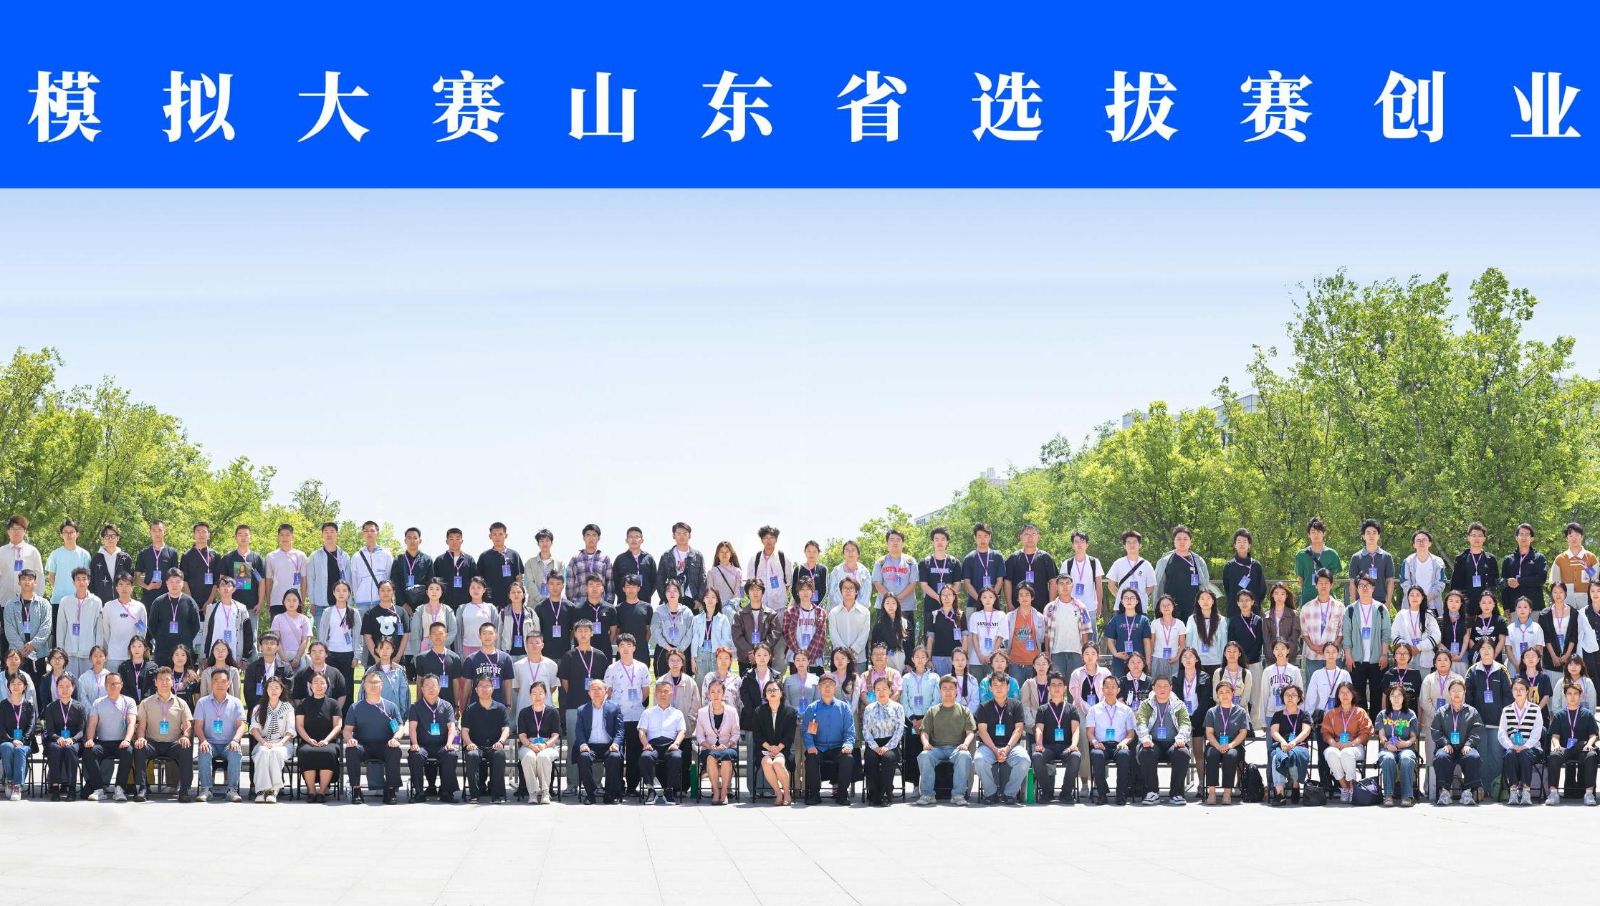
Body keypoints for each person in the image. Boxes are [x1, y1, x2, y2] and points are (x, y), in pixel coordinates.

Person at [131, 665, 194, 802]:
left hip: (173, 743)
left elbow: (188, 725)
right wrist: (140, 738)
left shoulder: (181, 703)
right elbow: (141, 726)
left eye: (167, 679)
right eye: (160, 679)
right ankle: (142, 788)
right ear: (155, 682)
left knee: (186, 747)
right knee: (139, 747)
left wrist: (185, 736)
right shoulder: (146, 703)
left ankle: (184, 789)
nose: (164, 682)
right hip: (153, 743)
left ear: (172, 682)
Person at [343, 671, 405, 804]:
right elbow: (347, 730)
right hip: (363, 746)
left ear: (381, 685)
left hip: (385, 745)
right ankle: (356, 789)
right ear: (364, 685)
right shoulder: (355, 707)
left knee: (395, 750)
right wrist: (350, 739)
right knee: (351, 750)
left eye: (376, 682)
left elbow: (400, 727)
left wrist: (395, 738)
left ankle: (390, 790)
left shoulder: (391, 706)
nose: (373, 685)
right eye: (369, 682)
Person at [914, 675, 976, 806]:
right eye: (945, 688)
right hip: (936, 749)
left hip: (956, 748)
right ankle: (927, 795)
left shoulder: (964, 711)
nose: (948, 691)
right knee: (924, 755)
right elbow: (924, 732)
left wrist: (965, 744)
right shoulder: (932, 711)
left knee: (964, 755)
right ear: (940, 691)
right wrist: (926, 743)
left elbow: (970, 733)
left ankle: (958, 795)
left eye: (951, 688)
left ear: (956, 691)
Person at [603, 633, 650, 795]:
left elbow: (645, 691)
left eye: (629, 645)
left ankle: (632, 786)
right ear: (618, 649)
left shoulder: (642, 667)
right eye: (622, 645)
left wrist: (636, 703)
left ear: (634, 648)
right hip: (618, 717)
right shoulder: (612, 668)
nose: (625, 649)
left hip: (636, 716)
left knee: (634, 753)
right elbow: (607, 692)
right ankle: (617, 785)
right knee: (617, 752)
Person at [973, 671, 1028, 805]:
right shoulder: (983, 707)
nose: (999, 688)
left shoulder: (1016, 705)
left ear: (1008, 687)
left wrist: (1007, 748)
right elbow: (982, 731)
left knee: (1024, 760)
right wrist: (995, 749)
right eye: (995, 685)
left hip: (1011, 746)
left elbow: (1018, 729)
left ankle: (1009, 794)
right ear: (990, 688)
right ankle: (990, 793)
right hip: (988, 746)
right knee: (979, 760)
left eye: (1002, 685)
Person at [193, 669, 247, 802]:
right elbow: (198, 726)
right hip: (209, 742)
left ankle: (232, 790)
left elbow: (241, 726)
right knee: (204, 750)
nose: (220, 684)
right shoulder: (202, 702)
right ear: (211, 683)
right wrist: (203, 741)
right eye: (216, 681)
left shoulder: (236, 702)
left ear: (228, 683)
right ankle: (206, 790)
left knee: (235, 752)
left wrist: (235, 740)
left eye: (223, 681)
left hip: (229, 743)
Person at [802, 673, 856, 806]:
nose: (827, 687)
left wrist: (848, 744)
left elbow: (849, 731)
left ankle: (842, 794)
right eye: (824, 685)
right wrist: (810, 745)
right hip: (818, 747)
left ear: (835, 687)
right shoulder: (812, 708)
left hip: (838, 747)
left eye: (830, 684)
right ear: (819, 688)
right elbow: (806, 731)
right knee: (811, 757)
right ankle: (814, 794)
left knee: (848, 758)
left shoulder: (844, 708)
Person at [405, 673, 460, 803]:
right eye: (427, 686)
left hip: (441, 745)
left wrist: (449, 743)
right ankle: (419, 792)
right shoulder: (416, 707)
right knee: (416, 755)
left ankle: (447, 792)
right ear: (422, 689)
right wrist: (415, 743)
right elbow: (412, 727)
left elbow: (451, 727)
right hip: (423, 745)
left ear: (439, 688)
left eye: (434, 686)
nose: (431, 689)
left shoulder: (447, 706)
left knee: (451, 754)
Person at [1342, 575, 1392, 713]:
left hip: (1377, 658)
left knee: (1377, 692)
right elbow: (1346, 635)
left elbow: (1386, 633)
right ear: (1357, 589)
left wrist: (1384, 654)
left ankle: (1376, 721)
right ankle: (1361, 721)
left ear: (1373, 588)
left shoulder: (1381, 609)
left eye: (1367, 585)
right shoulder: (1350, 610)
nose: (1364, 588)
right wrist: (1348, 656)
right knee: (1358, 694)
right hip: (1356, 659)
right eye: (1361, 585)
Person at [83, 671, 136, 801]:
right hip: (103, 742)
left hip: (121, 742)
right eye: (109, 683)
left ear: (121, 685)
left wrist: (127, 740)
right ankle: (98, 789)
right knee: (89, 751)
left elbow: (131, 723)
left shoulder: (128, 701)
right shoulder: (98, 702)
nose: (112, 686)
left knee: (128, 751)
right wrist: (90, 739)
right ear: (105, 686)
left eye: (115, 683)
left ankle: (119, 789)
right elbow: (92, 724)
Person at [1545, 680, 1599, 806]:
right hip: (1565, 749)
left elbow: (1593, 735)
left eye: (1575, 694)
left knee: (1592, 755)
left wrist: (1589, 744)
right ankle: (1553, 793)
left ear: (1580, 696)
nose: (1572, 696)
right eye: (1569, 693)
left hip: (1582, 749)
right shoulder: (1559, 715)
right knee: (1553, 755)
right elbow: (1555, 736)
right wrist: (1557, 745)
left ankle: (1589, 794)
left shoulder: (1587, 714)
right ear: (1565, 696)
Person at [1431, 676, 1483, 805]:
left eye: (1459, 690)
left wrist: (1468, 744)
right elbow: (1435, 730)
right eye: (1453, 690)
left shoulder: (1472, 711)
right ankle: (1444, 792)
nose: (1456, 693)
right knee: (1441, 756)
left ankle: (1467, 792)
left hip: (1465, 748)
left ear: (1464, 692)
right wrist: (1445, 743)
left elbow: (1477, 730)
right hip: (1447, 748)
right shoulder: (1441, 712)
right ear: (1449, 693)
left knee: (1473, 757)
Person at [1031, 672, 1082, 804]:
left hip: (1066, 747)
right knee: (1036, 756)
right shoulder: (1042, 709)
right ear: (1048, 688)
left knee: (1076, 756)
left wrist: (1073, 745)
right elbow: (1039, 729)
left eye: (1060, 685)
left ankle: (1066, 793)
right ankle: (1047, 792)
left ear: (1065, 688)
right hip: (1048, 747)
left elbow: (1076, 730)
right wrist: (1039, 744)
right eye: (1053, 685)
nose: (1056, 688)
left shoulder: (1072, 709)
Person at [558, 621, 612, 745]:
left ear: (592, 633)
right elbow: (564, 681)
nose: (583, 634)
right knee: (574, 742)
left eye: (586, 631)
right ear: (575, 634)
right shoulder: (568, 656)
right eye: (580, 631)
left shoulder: (600, 656)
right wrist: (573, 694)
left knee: (595, 742)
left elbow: (605, 681)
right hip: (574, 705)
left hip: (596, 706)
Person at [1086, 675, 1136, 805]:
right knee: (1096, 755)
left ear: (1118, 690)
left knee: (1124, 755)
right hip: (1101, 745)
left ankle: (1121, 794)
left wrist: (1124, 742)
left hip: (1119, 745)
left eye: (1113, 687)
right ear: (1102, 690)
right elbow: (1089, 732)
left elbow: (1131, 733)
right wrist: (1095, 743)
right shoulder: (1094, 710)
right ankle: (1102, 794)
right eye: (1107, 687)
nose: (1110, 690)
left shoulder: (1126, 710)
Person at [294, 670, 342, 802]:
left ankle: (322, 791)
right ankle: (311, 790)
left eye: (322, 683)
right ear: (310, 685)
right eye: (315, 682)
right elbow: (299, 726)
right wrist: (309, 740)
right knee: (305, 752)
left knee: (329, 753)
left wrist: (326, 740)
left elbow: (337, 725)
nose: (319, 686)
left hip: (329, 742)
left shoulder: (333, 704)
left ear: (327, 685)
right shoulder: (303, 704)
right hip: (308, 741)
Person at [461, 675, 511, 803]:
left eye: (487, 686)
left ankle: (497, 795)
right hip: (476, 745)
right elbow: (464, 731)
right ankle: (474, 794)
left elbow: (506, 728)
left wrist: (501, 741)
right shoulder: (470, 709)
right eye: (481, 686)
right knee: (471, 755)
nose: (484, 689)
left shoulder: (500, 708)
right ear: (476, 690)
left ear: (493, 689)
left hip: (494, 745)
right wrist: (469, 743)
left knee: (499, 755)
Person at [574, 678, 624, 804]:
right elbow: (579, 731)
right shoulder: (582, 710)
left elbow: (620, 730)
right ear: (589, 693)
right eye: (593, 689)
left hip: (609, 746)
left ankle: (610, 795)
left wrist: (616, 744)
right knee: (583, 757)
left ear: (605, 691)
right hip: (590, 746)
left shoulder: (614, 707)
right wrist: (583, 744)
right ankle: (591, 793)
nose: (596, 692)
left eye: (599, 689)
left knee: (614, 757)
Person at [637, 679, 686, 804]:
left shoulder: (677, 713)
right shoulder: (648, 713)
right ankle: (651, 789)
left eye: (666, 691)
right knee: (645, 757)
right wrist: (645, 744)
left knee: (676, 757)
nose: (663, 694)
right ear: (655, 694)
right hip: (652, 745)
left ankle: (669, 790)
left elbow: (682, 731)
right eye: (659, 691)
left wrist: (676, 744)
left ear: (671, 694)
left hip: (670, 744)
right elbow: (642, 731)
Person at [1321, 681, 1371, 802]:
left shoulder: (1360, 712)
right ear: (1338, 696)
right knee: (1330, 752)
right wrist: (1333, 744)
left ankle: (1353, 787)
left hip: (1355, 746)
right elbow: (1325, 733)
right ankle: (1344, 787)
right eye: (1341, 692)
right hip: (1337, 745)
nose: (1345, 695)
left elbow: (1365, 733)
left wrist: (1351, 744)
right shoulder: (1331, 713)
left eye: (1348, 692)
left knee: (1346, 753)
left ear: (1353, 694)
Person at [860, 675, 905, 806]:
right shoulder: (869, 708)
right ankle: (874, 794)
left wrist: (888, 746)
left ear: (890, 690)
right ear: (874, 691)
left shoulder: (898, 708)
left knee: (888, 758)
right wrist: (874, 746)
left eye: (885, 689)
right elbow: (866, 730)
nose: (881, 692)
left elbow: (899, 730)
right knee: (870, 757)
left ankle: (885, 794)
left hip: (891, 744)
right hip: (874, 743)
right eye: (878, 689)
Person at [249, 674, 295, 802]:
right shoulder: (259, 708)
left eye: (277, 688)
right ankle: (261, 791)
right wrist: (263, 742)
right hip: (263, 742)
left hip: (283, 743)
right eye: (271, 688)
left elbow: (290, 730)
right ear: (266, 690)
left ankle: (272, 791)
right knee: (263, 752)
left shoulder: (288, 708)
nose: (274, 691)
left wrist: (280, 743)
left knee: (275, 753)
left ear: (281, 690)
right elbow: (254, 728)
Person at [1498, 676, 1544, 805]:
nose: (1518, 692)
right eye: (1515, 689)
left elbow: (1537, 732)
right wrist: (1510, 745)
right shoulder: (1506, 710)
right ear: (1512, 692)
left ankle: (1526, 791)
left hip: (1532, 748)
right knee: (1509, 755)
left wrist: (1525, 746)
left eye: (1522, 689)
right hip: (1513, 747)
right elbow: (1501, 732)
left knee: (1525, 754)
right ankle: (1513, 791)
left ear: (1527, 691)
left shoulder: (1535, 709)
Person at [1202, 679, 1248, 804]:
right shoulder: (1212, 712)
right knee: (1212, 755)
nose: (1224, 694)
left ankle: (1227, 792)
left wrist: (1230, 745)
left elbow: (1243, 733)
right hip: (1215, 744)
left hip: (1234, 745)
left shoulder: (1240, 711)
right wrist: (1218, 746)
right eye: (1221, 692)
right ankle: (1211, 792)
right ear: (1217, 695)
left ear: (1233, 693)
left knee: (1230, 755)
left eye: (1227, 691)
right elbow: (1209, 733)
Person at [1374, 682, 1419, 807]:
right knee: (1388, 758)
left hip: (1406, 747)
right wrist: (1386, 744)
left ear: (1404, 697)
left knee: (1406, 759)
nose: (1396, 698)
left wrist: (1407, 743)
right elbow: (1381, 735)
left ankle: (1407, 796)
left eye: (1399, 695)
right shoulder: (1382, 714)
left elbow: (1413, 736)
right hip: (1388, 748)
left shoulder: (1410, 714)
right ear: (1389, 698)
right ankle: (1388, 795)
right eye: (1393, 695)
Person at [516, 680, 561, 804]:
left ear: (545, 695)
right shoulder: (524, 712)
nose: (537, 696)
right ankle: (533, 793)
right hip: (528, 744)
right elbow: (522, 735)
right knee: (528, 757)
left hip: (548, 745)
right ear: (530, 695)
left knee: (543, 757)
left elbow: (555, 735)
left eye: (540, 693)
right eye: (534, 693)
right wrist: (530, 745)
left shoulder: (553, 712)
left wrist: (545, 745)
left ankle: (545, 792)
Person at [1153, 524, 1210, 621]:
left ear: (1190, 541)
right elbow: (1158, 587)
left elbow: (1205, 585)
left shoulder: (1198, 561)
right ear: (1174, 541)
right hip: (1170, 608)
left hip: (1193, 608)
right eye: (1178, 539)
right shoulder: (1164, 561)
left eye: (1185, 539)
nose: (1182, 542)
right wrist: (1157, 609)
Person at [753, 679, 796, 806]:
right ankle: (778, 793)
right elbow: (757, 735)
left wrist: (778, 748)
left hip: (783, 749)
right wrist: (769, 747)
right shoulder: (759, 711)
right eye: (769, 690)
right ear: (765, 695)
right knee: (767, 763)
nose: (772, 692)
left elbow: (789, 735)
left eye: (775, 690)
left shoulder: (790, 712)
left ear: (781, 693)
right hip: (764, 749)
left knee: (777, 763)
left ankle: (787, 793)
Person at [5, 568, 52, 683]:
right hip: (17, 654)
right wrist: (22, 648)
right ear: (19, 582)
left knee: (38, 685)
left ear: (35, 582)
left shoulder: (44, 604)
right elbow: (9, 629)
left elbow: (46, 627)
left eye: (30, 579)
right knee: (17, 685)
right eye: (23, 579)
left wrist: (33, 644)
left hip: (38, 653)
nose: (27, 581)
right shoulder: (10, 604)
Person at [1268, 684, 1312, 804]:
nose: (1290, 697)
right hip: (1281, 745)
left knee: (1294, 755)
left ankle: (1295, 785)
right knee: (1276, 757)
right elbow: (1274, 731)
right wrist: (1283, 742)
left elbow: (1306, 731)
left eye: (1293, 695)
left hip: (1299, 745)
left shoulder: (1304, 714)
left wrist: (1293, 742)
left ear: (1299, 698)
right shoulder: (1278, 715)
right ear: (1283, 698)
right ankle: (1280, 793)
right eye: (1287, 695)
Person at [1042, 571, 1091, 679]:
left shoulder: (1081, 607)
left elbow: (1085, 631)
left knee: (1075, 685)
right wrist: (1046, 651)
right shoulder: (1049, 608)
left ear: (1072, 585)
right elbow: (1046, 632)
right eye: (1061, 583)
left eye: (1068, 583)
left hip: (1076, 652)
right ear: (1056, 586)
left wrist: (1085, 652)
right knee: (1057, 684)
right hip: (1056, 652)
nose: (1065, 586)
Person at [55, 567, 103, 678]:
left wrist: (98, 651)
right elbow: (61, 627)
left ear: (88, 581)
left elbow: (99, 629)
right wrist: (60, 650)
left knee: (88, 682)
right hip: (69, 652)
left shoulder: (96, 602)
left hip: (89, 652)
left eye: (84, 579)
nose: (81, 582)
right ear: (73, 582)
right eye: (78, 579)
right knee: (70, 682)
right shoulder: (65, 601)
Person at [44, 673, 85, 800]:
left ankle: (71, 789)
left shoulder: (79, 707)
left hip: (74, 742)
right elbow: (49, 730)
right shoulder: (51, 707)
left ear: (73, 687)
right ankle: (55, 788)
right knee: (55, 748)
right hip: (56, 741)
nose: (65, 689)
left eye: (68, 686)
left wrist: (72, 739)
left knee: (70, 749)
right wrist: (58, 738)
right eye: (61, 686)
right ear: (57, 688)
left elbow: (81, 731)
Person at [146, 569, 199, 668]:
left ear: (182, 583)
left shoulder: (190, 602)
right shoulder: (158, 602)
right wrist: (161, 639)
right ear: (166, 583)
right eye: (171, 582)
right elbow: (152, 625)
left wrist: (185, 638)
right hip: (163, 651)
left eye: (178, 582)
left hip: (183, 651)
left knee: (183, 677)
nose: (174, 585)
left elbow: (196, 626)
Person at [199, 575, 255, 663]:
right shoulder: (211, 609)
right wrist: (204, 655)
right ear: (218, 589)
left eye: (229, 585)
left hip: (235, 655)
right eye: (222, 585)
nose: (226, 588)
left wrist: (245, 657)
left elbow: (248, 634)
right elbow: (206, 633)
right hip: (213, 655)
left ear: (234, 589)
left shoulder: (241, 609)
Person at [98, 573, 147, 671]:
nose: (124, 588)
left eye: (127, 584)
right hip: (114, 655)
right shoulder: (109, 606)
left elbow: (142, 631)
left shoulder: (139, 607)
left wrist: (137, 648)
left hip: (132, 655)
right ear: (116, 588)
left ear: (132, 588)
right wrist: (113, 644)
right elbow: (106, 630)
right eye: (121, 584)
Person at [316, 581, 359, 692]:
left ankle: (347, 704)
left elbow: (358, 636)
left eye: (344, 590)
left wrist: (356, 656)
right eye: (338, 590)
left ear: (349, 593)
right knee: (331, 686)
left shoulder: (354, 612)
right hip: (331, 653)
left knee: (347, 686)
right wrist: (322, 653)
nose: (341, 593)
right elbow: (322, 636)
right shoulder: (327, 612)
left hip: (348, 654)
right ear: (333, 593)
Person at [733, 579, 783, 673]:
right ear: (747, 592)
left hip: (765, 659)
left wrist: (760, 653)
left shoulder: (771, 614)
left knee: (765, 682)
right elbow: (737, 637)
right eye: (752, 589)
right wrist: (750, 653)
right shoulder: (739, 615)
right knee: (746, 682)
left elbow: (774, 635)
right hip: (746, 659)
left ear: (762, 592)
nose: (755, 592)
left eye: (758, 589)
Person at [260, 523, 309, 618]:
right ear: (278, 537)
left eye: (287, 535)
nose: (285, 538)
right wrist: (268, 601)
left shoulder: (301, 555)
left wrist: (302, 601)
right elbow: (268, 580)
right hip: (276, 601)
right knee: (276, 628)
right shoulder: (271, 556)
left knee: (295, 628)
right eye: (282, 535)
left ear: (292, 537)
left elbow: (304, 580)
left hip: (295, 601)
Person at [0, 673, 35, 800]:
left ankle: (17, 786)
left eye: (19, 684)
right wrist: (11, 740)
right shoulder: (3, 705)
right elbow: (1, 726)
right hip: (6, 740)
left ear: (24, 687)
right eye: (13, 684)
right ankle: (9, 780)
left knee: (20, 750)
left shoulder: (29, 705)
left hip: (24, 742)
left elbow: (31, 726)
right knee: (7, 747)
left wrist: (22, 740)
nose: (16, 686)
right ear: (8, 686)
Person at [1004, 524, 1056, 610]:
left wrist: (1050, 605)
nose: (1030, 537)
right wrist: (1009, 604)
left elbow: (1053, 581)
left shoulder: (1046, 558)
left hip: (1042, 608)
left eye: (1033, 534)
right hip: (1018, 607)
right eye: (1026, 534)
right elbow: (1007, 581)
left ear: (1038, 537)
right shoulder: (1013, 558)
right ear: (1021, 537)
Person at [649, 579, 695, 676]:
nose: (672, 593)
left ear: (680, 593)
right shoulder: (658, 611)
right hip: (663, 650)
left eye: (675, 590)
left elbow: (690, 633)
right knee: (663, 682)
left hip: (683, 650)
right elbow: (656, 632)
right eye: (669, 590)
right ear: (665, 594)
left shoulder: (687, 612)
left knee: (683, 681)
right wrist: (668, 647)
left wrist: (679, 649)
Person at [219, 524, 267, 617]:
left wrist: (260, 603)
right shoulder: (228, 558)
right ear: (235, 537)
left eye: (246, 535)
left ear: (250, 538)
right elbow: (222, 582)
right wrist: (225, 602)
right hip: (232, 607)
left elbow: (261, 582)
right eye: (240, 534)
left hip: (252, 607)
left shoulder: (257, 558)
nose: (243, 537)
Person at [305, 522, 348, 623]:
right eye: (326, 532)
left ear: (337, 534)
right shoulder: (315, 556)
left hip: (340, 604)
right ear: (322, 535)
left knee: (339, 633)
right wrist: (312, 602)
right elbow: (310, 579)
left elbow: (348, 580)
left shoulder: (344, 556)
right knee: (322, 633)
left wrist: (348, 602)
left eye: (332, 531)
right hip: (320, 605)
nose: (329, 534)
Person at [564, 575, 618, 657]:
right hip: (583, 653)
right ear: (586, 588)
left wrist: (605, 643)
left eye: (598, 585)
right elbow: (574, 631)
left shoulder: (610, 609)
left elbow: (613, 632)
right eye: (591, 585)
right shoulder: (578, 609)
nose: (594, 588)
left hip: (604, 652)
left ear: (602, 588)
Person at [410, 580, 459, 670]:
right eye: (431, 589)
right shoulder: (420, 610)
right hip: (425, 648)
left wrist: (441, 643)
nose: (434, 592)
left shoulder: (447, 610)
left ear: (441, 592)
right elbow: (415, 634)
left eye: (437, 589)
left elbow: (453, 631)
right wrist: (416, 655)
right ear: (427, 591)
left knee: (443, 672)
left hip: (442, 647)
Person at [347, 521, 393, 617]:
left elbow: (389, 578)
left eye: (372, 531)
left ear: (378, 533)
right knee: (363, 627)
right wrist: (355, 598)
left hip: (381, 601)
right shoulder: (356, 556)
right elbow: (353, 580)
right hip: (361, 602)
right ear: (362, 534)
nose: (369, 533)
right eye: (366, 531)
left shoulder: (386, 554)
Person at [1348, 519, 1398, 606]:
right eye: (1368, 533)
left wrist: (1388, 603)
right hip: (1361, 601)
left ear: (1378, 536)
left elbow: (1390, 581)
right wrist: (1353, 605)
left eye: (1374, 533)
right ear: (1363, 536)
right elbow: (1352, 582)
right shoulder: (1356, 557)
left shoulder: (1387, 557)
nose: (1371, 535)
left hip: (1381, 601)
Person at [1104, 588, 1150, 681]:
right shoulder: (1116, 619)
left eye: (1132, 598)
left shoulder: (1143, 620)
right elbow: (1110, 640)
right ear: (1121, 601)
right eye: (1126, 598)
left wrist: (1148, 662)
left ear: (1137, 601)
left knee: (1138, 687)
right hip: (1120, 661)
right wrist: (1116, 654)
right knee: (1120, 686)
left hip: (1138, 662)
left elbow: (1147, 643)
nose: (1129, 600)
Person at [360, 581, 409, 667]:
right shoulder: (370, 614)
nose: (386, 593)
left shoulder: (401, 612)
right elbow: (367, 637)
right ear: (378, 592)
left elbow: (405, 635)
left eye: (389, 590)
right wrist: (376, 657)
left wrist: (398, 657)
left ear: (393, 592)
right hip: (376, 661)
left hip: (396, 661)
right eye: (382, 590)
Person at [1451, 522, 1500, 610]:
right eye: (1473, 535)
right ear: (1468, 538)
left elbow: (1495, 582)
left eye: (1480, 536)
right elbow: (1455, 584)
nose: (1476, 538)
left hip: (1486, 606)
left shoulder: (1491, 559)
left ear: (1484, 539)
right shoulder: (1461, 558)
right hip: (1465, 605)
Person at [918, 527, 961, 626]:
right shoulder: (925, 563)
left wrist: (948, 598)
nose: (939, 542)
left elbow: (957, 584)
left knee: (949, 633)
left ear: (947, 542)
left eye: (943, 539)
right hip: (930, 607)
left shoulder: (954, 562)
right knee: (930, 634)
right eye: (936, 539)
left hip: (950, 607)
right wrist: (939, 598)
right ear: (932, 542)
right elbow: (924, 585)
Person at [1502, 522, 1548, 613]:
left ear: (1532, 538)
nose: (1524, 537)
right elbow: (1502, 583)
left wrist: (1519, 581)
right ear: (1516, 538)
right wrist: (1506, 606)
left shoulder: (1539, 558)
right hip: (1514, 607)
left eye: (1527, 534)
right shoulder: (1508, 559)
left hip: (1535, 607)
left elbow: (1541, 579)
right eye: (1521, 534)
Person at [1106, 530, 1156, 613]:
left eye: (1135, 542)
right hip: (1121, 608)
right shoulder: (1118, 563)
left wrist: (1140, 598)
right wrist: (1122, 598)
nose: (1131, 545)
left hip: (1140, 607)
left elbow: (1150, 587)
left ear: (1140, 545)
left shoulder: (1146, 564)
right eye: (1128, 542)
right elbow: (1111, 585)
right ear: (1124, 546)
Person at [828, 577, 871, 672]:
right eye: (845, 588)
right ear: (840, 591)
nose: (848, 591)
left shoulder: (865, 612)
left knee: (858, 682)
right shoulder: (834, 612)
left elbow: (864, 634)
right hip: (838, 659)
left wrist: (853, 650)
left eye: (851, 588)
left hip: (858, 659)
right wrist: (844, 653)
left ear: (856, 591)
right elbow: (833, 634)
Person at [1401, 530, 1448, 616]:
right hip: (1412, 606)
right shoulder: (1407, 561)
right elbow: (1404, 582)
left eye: (1424, 540)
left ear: (1430, 543)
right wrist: (1416, 597)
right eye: (1418, 540)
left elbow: (1441, 583)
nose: (1421, 542)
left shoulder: (1438, 562)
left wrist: (1426, 598)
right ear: (1414, 545)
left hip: (1433, 606)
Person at [43, 518, 89, 607]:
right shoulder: (55, 554)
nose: (69, 535)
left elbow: (88, 578)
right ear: (61, 535)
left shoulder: (84, 555)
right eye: (65, 532)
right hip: (58, 600)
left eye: (71, 532)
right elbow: (51, 576)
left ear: (77, 534)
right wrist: (59, 589)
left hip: (79, 600)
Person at [476, 521, 523, 607]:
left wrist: (518, 597)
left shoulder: (514, 554)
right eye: (494, 534)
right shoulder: (484, 556)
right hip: (489, 600)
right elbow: (479, 580)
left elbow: (519, 578)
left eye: (500, 534)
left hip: (510, 600)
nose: (498, 537)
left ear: (506, 535)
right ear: (490, 536)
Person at [511, 630, 557, 718]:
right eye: (531, 643)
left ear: (542, 645)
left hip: (546, 711)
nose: (534, 645)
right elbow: (516, 688)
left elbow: (553, 687)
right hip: (523, 709)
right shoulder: (517, 666)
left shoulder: (551, 665)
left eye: (537, 642)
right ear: (526, 645)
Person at [1260, 640, 1305, 729]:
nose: (1280, 652)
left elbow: (1300, 694)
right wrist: (1263, 721)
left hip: (1290, 713)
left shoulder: (1294, 670)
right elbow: (1264, 696)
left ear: (1288, 651)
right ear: (1273, 651)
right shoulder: (1267, 671)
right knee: (1272, 738)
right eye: (1276, 649)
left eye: (1283, 649)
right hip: (1271, 713)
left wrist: (1301, 716)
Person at [85, 523, 132, 609]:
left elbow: (130, 581)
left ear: (118, 538)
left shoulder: (125, 558)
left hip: (122, 602)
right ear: (102, 539)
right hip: (100, 603)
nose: (110, 538)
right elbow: (91, 583)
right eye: (107, 536)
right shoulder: (96, 559)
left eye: (113, 536)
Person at [1540, 586, 1580, 687]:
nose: (1558, 595)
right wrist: (1553, 656)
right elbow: (1546, 637)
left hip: (1570, 656)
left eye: (1561, 592)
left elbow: (1574, 635)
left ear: (1565, 593)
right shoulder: (1544, 614)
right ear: (1551, 594)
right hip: (1551, 657)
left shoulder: (1574, 612)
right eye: (1555, 592)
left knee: (1570, 689)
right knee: (1553, 689)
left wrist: (1567, 655)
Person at [657, 522, 705, 604]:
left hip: (692, 599)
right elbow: (659, 579)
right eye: (678, 533)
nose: (681, 536)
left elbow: (703, 579)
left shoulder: (697, 556)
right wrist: (665, 598)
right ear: (673, 535)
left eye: (685, 533)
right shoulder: (666, 556)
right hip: (672, 599)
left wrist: (699, 600)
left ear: (690, 535)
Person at [690, 589, 733, 680]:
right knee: (701, 685)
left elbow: (726, 640)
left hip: (717, 656)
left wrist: (722, 657)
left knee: (717, 684)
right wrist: (693, 659)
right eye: (707, 597)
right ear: (703, 600)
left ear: (717, 600)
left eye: (713, 597)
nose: (710, 600)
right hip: (701, 656)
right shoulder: (697, 618)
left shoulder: (723, 619)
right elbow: (694, 639)